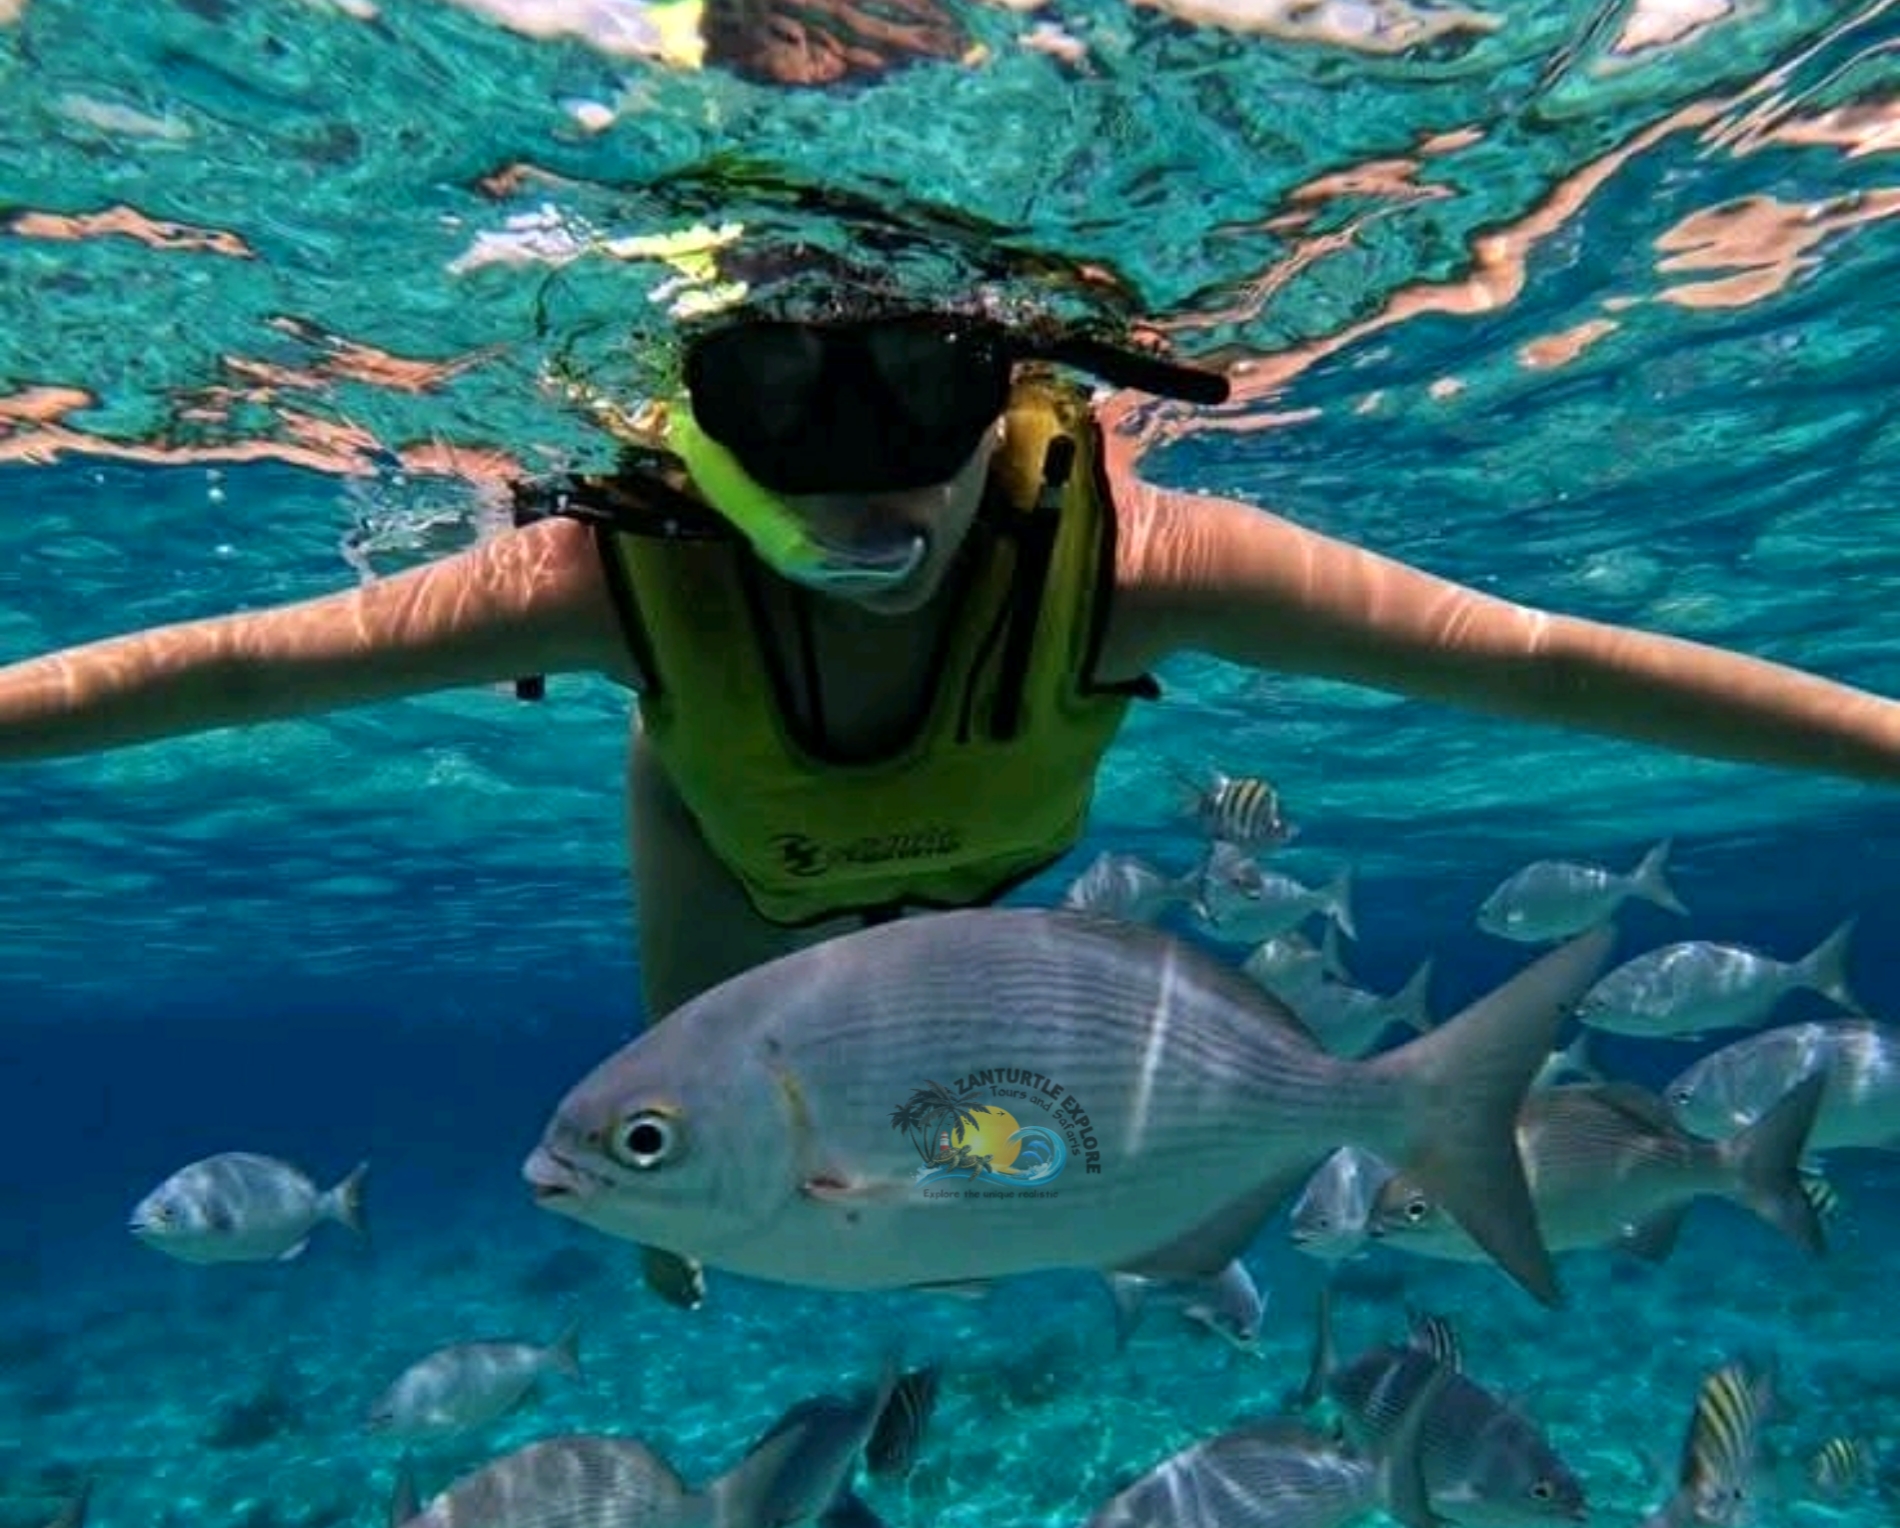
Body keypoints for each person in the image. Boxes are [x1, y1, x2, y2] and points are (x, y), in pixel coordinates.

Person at [5, 279, 1899, 1027]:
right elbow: (234, 668)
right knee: (673, 1118)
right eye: (775, 405)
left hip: (989, 856)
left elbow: (1540, 659)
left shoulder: (1144, 555)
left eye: (920, 387)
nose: (858, 487)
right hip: (730, 851)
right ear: (697, 435)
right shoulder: (598, 576)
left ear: (1009, 391)